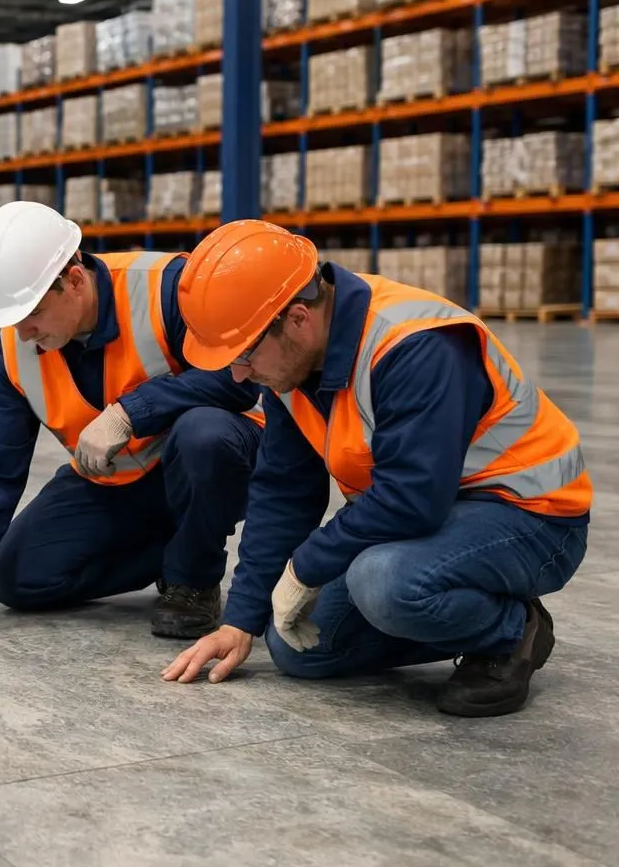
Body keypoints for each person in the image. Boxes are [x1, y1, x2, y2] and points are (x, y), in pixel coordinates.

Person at [162, 219, 590, 718]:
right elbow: (283, 492)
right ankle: (454, 609)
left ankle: (511, 630)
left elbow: (411, 499)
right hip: (433, 520)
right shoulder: (289, 367)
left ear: (298, 318)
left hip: (530, 514)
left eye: (243, 354)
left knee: (385, 582)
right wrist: (239, 621)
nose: (239, 374)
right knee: (294, 644)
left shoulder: (415, 345)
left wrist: (306, 565)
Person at [0, 201, 265, 642]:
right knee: (17, 578)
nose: (23, 332)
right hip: (116, 483)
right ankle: (173, 549)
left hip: (212, 460)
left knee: (204, 433)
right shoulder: (10, 355)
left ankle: (192, 579)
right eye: (12, 320)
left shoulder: (170, 289)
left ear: (73, 280)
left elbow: (237, 379)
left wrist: (130, 412)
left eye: (31, 314)